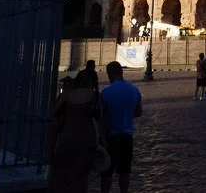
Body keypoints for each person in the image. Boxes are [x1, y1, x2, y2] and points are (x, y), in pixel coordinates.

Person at [48, 75, 98, 193]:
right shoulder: (92, 96)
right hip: (87, 139)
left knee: (62, 176)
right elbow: (99, 117)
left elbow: (55, 117)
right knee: (81, 176)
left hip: (68, 138)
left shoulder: (66, 96)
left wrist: (51, 147)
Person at [99, 61, 142, 193]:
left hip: (109, 137)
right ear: (121, 72)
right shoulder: (134, 90)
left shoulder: (105, 93)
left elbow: (101, 117)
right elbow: (138, 112)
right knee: (124, 172)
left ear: (109, 74)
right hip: (126, 136)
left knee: (106, 173)